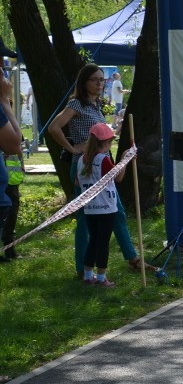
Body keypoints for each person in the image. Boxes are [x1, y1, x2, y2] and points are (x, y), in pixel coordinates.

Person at [47, 63, 142, 277]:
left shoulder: (96, 105)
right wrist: (72, 148)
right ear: (84, 82)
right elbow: (54, 127)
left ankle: (132, 258)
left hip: (103, 167)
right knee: (85, 217)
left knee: (116, 212)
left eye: (102, 80)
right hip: (85, 168)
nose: (100, 83)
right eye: (95, 80)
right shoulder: (77, 104)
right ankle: (83, 268)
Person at [76, 124, 127, 287]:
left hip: (90, 207)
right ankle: (101, 277)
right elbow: (118, 178)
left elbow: (77, 181)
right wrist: (124, 161)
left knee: (93, 241)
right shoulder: (103, 159)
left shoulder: (81, 160)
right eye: (111, 142)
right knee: (103, 242)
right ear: (106, 142)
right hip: (106, 207)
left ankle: (87, 275)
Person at [0, 76, 22, 257]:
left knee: (13, 201)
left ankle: (9, 247)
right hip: (7, 157)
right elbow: (14, 140)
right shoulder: (3, 103)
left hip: (12, 163)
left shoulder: (7, 102)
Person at [1, 145, 23, 260]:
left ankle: (10, 251)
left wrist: (21, 165)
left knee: (11, 215)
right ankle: (9, 251)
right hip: (5, 177)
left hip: (11, 178)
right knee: (8, 214)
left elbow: (17, 146)